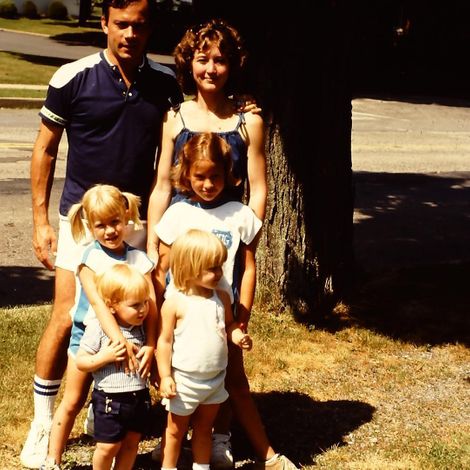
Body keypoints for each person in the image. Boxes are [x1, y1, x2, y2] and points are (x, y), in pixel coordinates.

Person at [21, 0, 183, 467]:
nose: (130, 34)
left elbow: (174, 150)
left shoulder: (164, 85)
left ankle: (110, 401)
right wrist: (40, 221)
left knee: (138, 312)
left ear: (150, 28)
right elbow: (45, 151)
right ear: (105, 24)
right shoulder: (72, 78)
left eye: (139, 26)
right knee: (68, 319)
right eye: (121, 24)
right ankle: (43, 421)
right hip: (82, 220)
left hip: (135, 223)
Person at [153, 132, 297, 470]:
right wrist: (157, 319)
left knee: (231, 380)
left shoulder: (239, 214)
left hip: (222, 314)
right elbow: (161, 268)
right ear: (186, 174)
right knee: (178, 382)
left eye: (215, 176)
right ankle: (169, 449)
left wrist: (241, 314)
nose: (207, 184)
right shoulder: (176, 214)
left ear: (227, 173)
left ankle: (257, 452)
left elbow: (248, 267)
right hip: (182, 316)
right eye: (199, 176)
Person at [39, 184, 157, 469]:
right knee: (73, 399)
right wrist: (119, 343)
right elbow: (99, 306)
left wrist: (151, 344)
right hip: (89, 338)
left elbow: (151, 307)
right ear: (90, 226)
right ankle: (52, 458)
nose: (110, 231)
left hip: (134, 339)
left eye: (115, 222)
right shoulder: (89, 259)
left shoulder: (139, 260)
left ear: (126, 216)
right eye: (100, 225)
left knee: (127, 395)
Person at [157, 229, 253, 470]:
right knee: (175, 430)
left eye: (220, 266)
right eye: (212, 268)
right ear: (189, 268)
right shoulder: (174, 304)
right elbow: (165, 341)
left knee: (204, 429)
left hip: (214, 379)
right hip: (185, 381)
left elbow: (228, 325)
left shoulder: (221, 298)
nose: (219, 273)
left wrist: (238, 336)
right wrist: (165, 375)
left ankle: (202, 466)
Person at [73, 264, 152, 470]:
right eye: (135, 305)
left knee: (131, 444)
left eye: (145, 302)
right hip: (110, 399)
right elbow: (81, 362)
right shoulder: (99, 328)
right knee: (108, 447)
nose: (143, 309)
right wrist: (104, 357)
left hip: (139, 396)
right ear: (112, 306)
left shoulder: (142, 329)